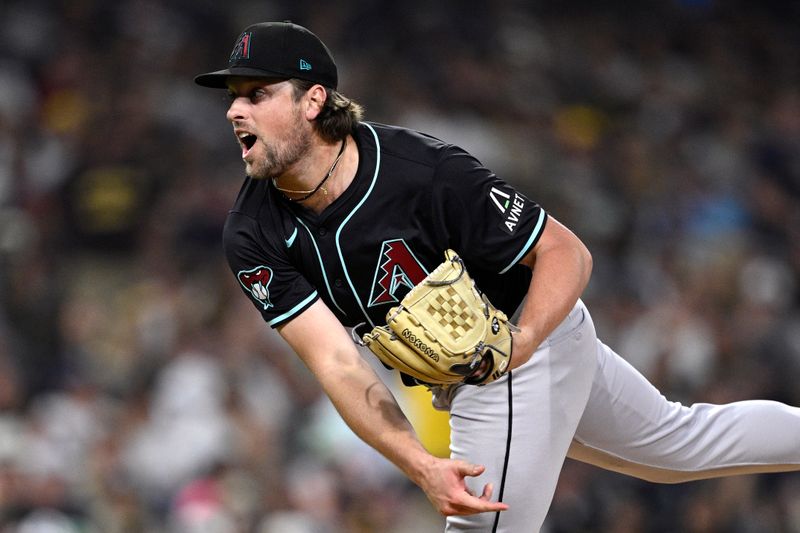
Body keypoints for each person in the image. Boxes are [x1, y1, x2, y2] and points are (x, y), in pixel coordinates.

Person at [194, 21, 800, 532]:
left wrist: (523, 343)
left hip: (511, 350)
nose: (234, 110)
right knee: (677, 447)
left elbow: (568, 254)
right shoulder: (252, 232)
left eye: (256, 93)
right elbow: (338, 363)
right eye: (233, 96)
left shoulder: (420, 171)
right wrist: (419, 461)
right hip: (473, 373)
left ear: (314, 100)